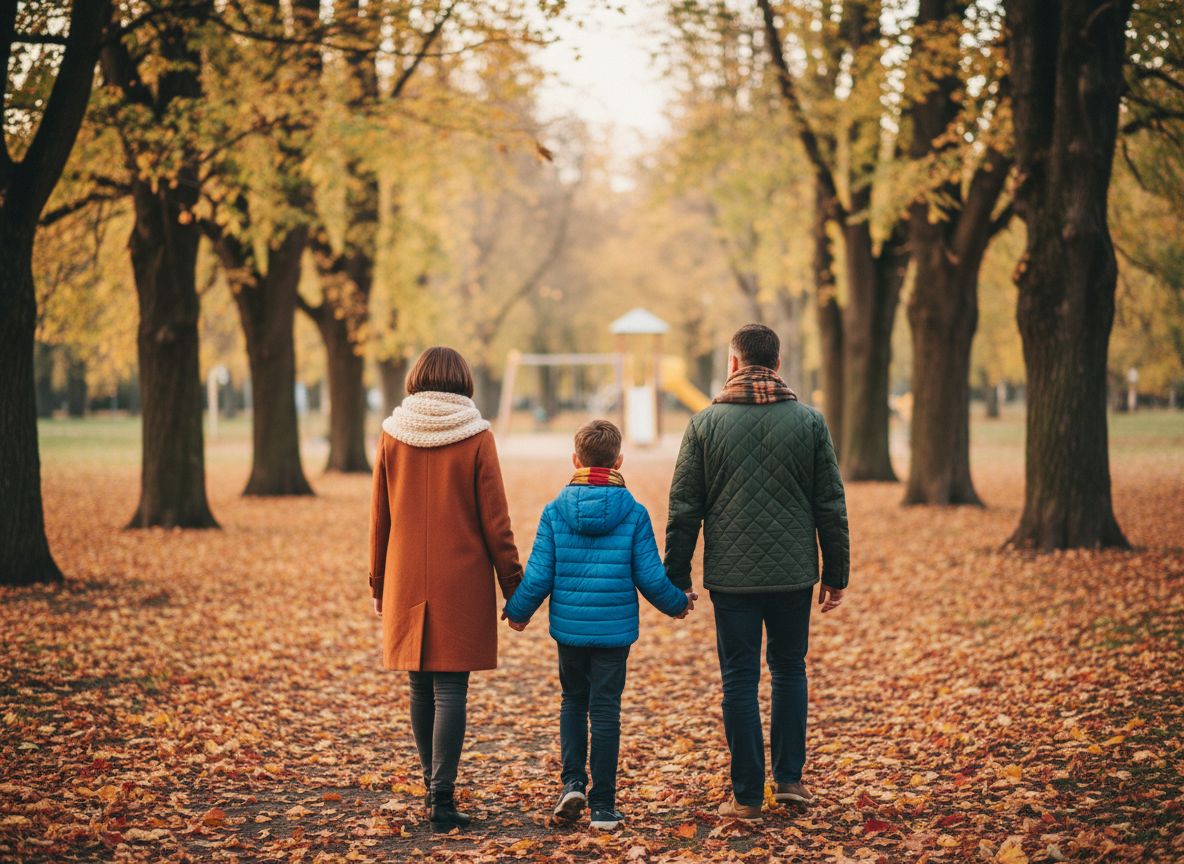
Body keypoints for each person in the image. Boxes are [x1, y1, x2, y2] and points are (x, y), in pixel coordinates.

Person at [664, 324, 849, 820]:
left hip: (732, 577)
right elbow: (830, 503)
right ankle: (789, 780)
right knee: (790, 669)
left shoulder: (704, 425)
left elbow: (684, 508)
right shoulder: (809, 422)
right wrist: (836, 572)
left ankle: (746, 794)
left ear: (734, 363)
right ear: (778, 364)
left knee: (739, 679)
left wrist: (675, 577)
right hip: (794, 574)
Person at [501, 419, 694, 830]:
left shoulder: (555, 511)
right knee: (606, 710)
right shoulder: (634, 512)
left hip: (570, 629)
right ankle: (603, 805)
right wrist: (678, 604)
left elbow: (538, 575)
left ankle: (572, 782)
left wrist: (518, 612)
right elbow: (650, 577)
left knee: (573, 700)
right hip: (613, 632)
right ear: (619, 460)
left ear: (575, 460)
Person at [368, 346, 523, 834]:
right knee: (451, 687)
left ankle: (431, 786)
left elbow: (380, 517)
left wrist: (378, 581)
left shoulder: (393, 435)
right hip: (462, 577)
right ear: (463, 382)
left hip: (406, 573)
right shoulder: (477, 436)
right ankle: (442, 796)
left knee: (419, 683)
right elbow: (496, 522)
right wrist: (513, 585)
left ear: (416, 378)